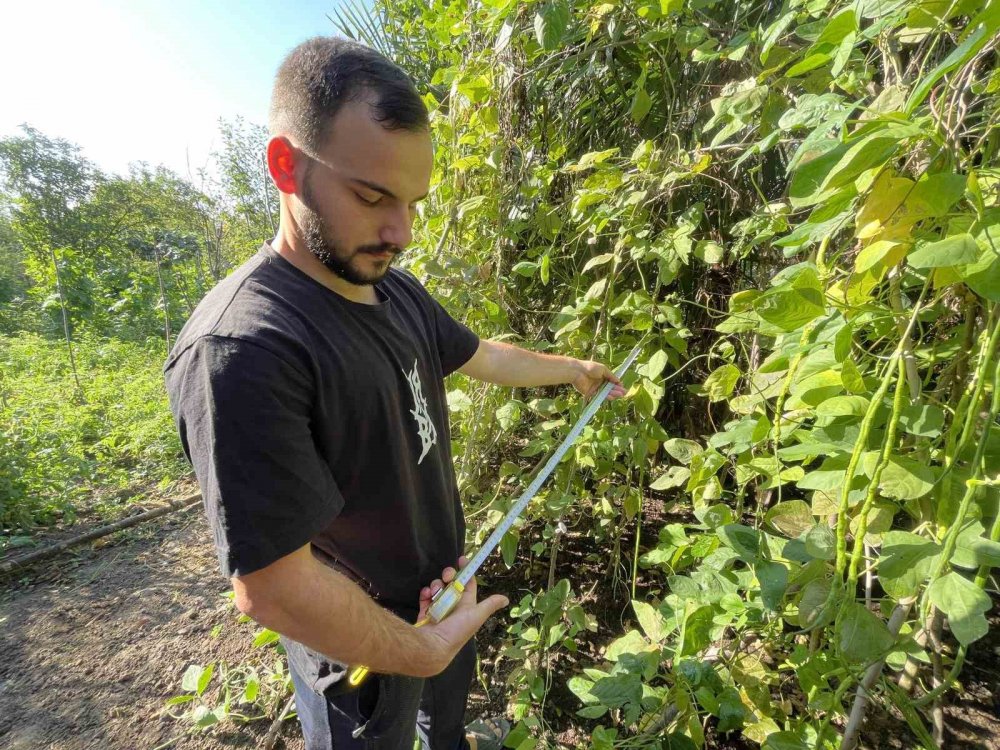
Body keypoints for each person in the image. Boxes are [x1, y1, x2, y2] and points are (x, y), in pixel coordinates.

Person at [163, 36, 625, 750]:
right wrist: (417, 649)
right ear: (286, 166)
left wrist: (571, 369)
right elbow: (274, 588)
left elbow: (480, 356)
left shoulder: (392, 289)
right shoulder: (244, 350)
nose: (400, 232)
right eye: (373, 196)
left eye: (411, 202)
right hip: (353, 648)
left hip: (443, 593)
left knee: (444, 732)